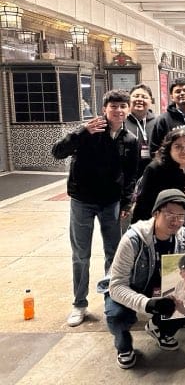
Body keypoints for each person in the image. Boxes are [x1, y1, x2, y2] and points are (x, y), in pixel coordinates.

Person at [52, 89, 138, 327]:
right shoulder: (88, 132)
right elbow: (57, 152)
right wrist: (81, 132)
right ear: (104, 109)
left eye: (123, 106)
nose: (118, 110)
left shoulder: (130, 140)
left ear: (128, 109)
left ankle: (114, 301)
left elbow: (131, 175)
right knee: (81, 254)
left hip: (112, 203)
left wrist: (126, 201)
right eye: (113, 106)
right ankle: (79, 304)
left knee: (114, 253)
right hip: (83, 201)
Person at [104, 189, 185, 369]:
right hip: (131, 285)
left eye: (181, 216)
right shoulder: (133, 239)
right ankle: (124, 346)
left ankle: (159, 329)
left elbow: (184, 276)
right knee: (117, 315)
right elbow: (116, 286)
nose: (176, 221)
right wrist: (147, 304)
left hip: (160, 286)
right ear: (156, 213)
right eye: (170, 214)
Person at [131, 129, 185, 249]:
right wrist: (138, 236)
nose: (184, 150)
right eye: (178, 146)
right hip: (161, 230)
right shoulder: (155, 169)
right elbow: (143, 206)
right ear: (169, 148)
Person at [150, 78, 185, 154]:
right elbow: (154, 150)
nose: (182, 93)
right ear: (172, 97)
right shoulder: (163, 120)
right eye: (178, 91)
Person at [125, 84, 157, 179]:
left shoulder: (158, 122)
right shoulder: (121, 122)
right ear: (129, 100)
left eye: (144, 97)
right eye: (136, 96)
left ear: (151, 101)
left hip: (153, 174)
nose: (139, 99)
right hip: (127, 175)